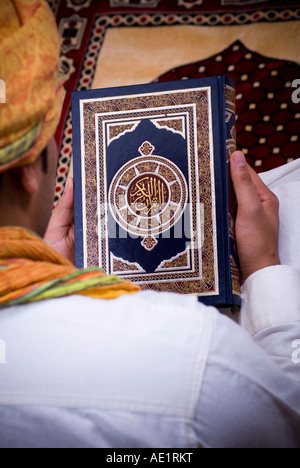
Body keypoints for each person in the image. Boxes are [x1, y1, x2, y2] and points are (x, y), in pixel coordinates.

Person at [0, 0, 299, 449]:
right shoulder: (192, 350)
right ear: (28, 169)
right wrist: (263, 268)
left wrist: (59, 276)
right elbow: (287, 423)